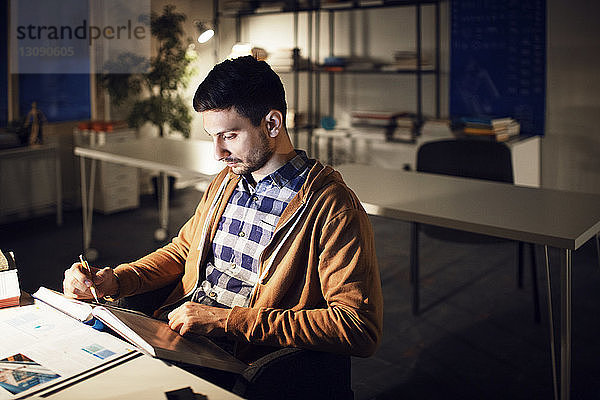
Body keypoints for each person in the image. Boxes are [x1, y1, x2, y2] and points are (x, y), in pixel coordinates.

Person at [63, 55, 383, 364]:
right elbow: (183, 252)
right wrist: (116, 279)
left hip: (242, 359)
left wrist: (227, 320)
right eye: (213, 137)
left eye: (229, 136)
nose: (218, 153)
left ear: (272, 123)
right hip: (178, 335)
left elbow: (357, 328)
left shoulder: (331, 207)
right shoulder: (226, 181)